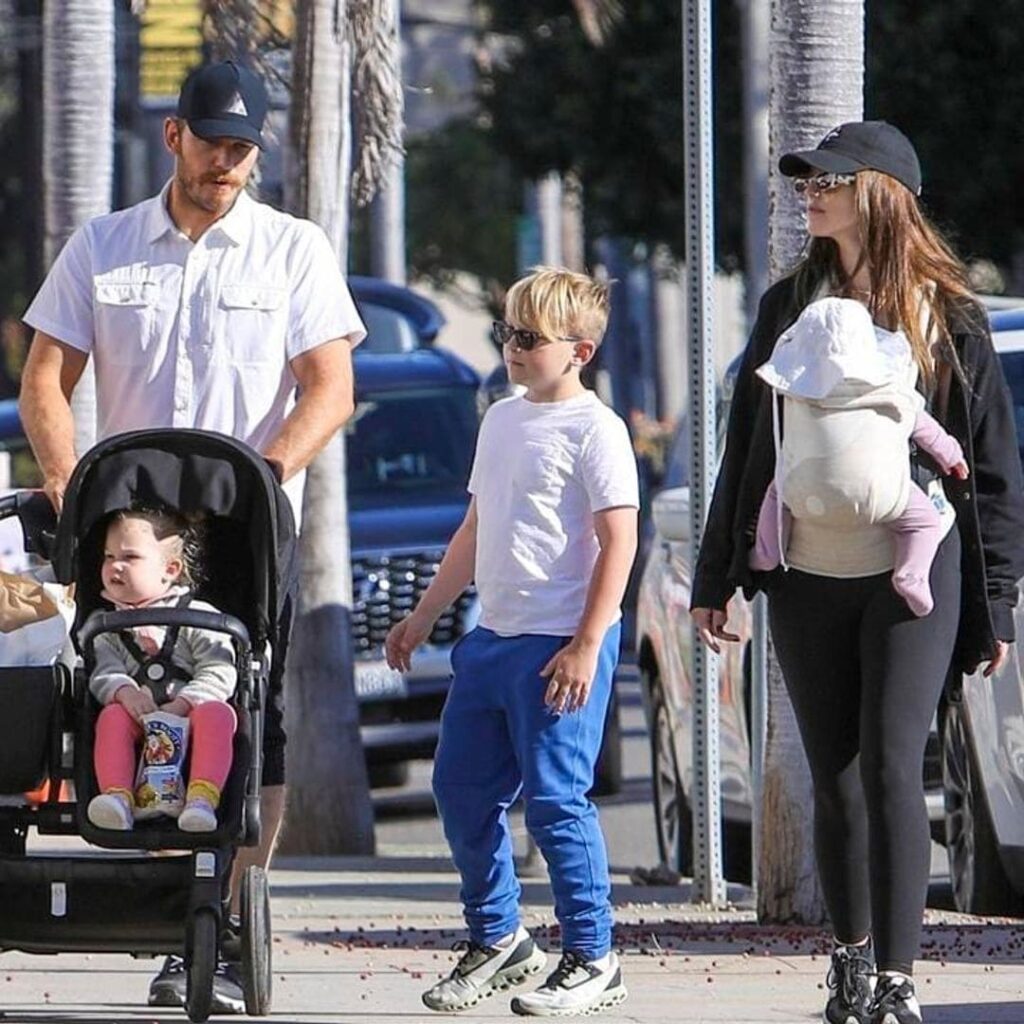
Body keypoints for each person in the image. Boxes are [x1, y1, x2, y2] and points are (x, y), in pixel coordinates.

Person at [18, 60, 365, 1013]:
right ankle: (174, 913)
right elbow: (45, 377)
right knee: (123, 699)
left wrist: (265, 476)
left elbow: (329, 387)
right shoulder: (104, 245)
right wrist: (68, 482)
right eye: (213, 143)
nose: (227, 163)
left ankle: (230, 915)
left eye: (243, 149)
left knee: (251, 713)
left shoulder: (292, 249)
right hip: (130, 530)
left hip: (243, 524)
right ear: (174, 136)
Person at [691, 120, 1024, 1024]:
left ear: (880, 193)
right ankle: (851, 959)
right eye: (805, 181)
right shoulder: (787, 306)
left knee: (890, 765)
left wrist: (994, 603)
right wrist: (717, 579)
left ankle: (900, 977)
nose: (811, 193)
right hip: (805, 566)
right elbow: (747, 447)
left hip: (918, 564)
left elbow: (991, 468)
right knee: (833, 775)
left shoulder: (948, 315)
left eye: (828, 181)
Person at [385, 267, 639, 1018]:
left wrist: (587, 643)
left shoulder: (597, 430)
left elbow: (620, 541)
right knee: (460, 791)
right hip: (492, 639)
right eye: (507, 332)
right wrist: (424, 615)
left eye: (530, 337)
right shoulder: (500, 419)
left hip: (559, 645)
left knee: (557, 804)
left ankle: (593, 957)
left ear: (579, 351)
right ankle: (499, 938)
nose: (513, 347)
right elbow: (474, 529)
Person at [749, 295, 969, 616]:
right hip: (879, 493)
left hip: (803, 493)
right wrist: (953, 456)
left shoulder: (795, 391)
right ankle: (912, 574)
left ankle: (766, 553)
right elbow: (926, 430)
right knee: (925, 521)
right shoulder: (890, 387)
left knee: (776, 493)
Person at [86, 508, 237, 834]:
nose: (115, 566)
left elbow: (219, 669)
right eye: (109, 556)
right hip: (138, 718)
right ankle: (118, 798)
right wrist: (124, 692)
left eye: (130, 557)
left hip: (190, 716)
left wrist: (184, 703)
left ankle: (201, 799)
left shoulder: (199, 617)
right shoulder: (105, 627)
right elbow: (103, 671)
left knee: (218, 714)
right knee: (111, 716)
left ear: (170, 569)